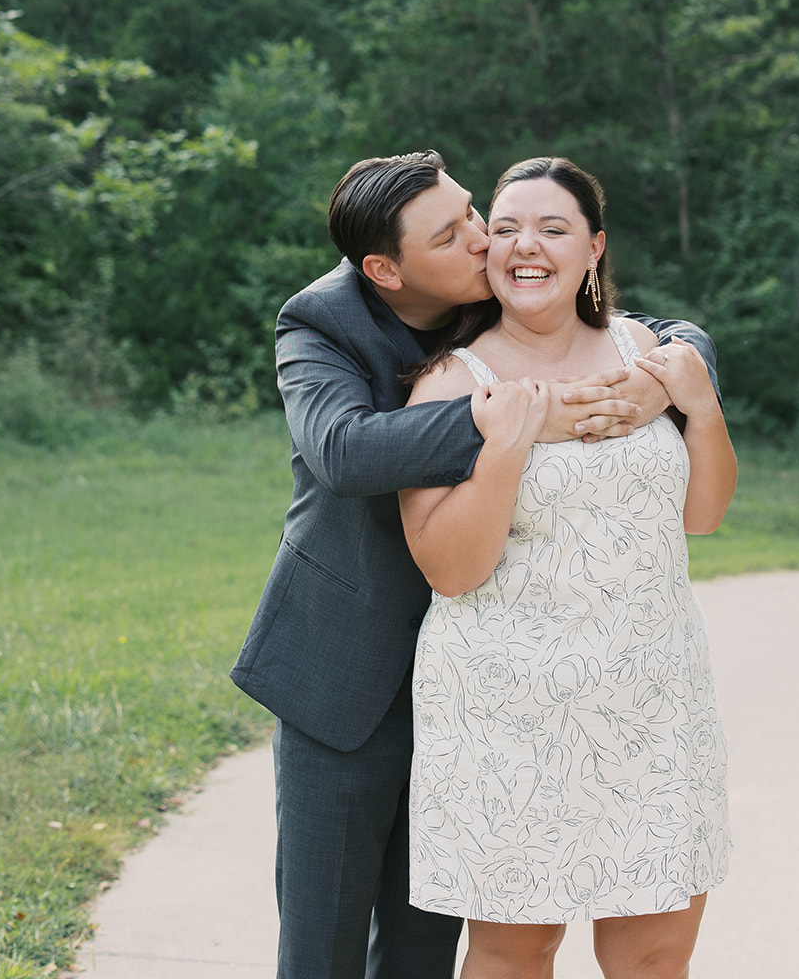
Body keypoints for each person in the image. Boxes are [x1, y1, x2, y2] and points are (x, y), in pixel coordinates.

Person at [231, 150, 722, 979]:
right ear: (387, 269)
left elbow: (649, 330)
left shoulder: (521, 290)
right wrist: (534, 421)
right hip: (350, 669)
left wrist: (680, 379)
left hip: (493, 694)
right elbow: (345, 452)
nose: (480, 242)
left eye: (473, 216)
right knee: (323, 948)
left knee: (426, 952)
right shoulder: (322, 322)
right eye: (457, 232)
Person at [400, 156, 736, 979]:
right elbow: (450, 570)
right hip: (509, 710)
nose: (526, 246)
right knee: (517, 950)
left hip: (652, 696)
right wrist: (506, 447)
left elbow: (704, 514)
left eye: (554, 228)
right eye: (506, 228)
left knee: (654, 951)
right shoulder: (452, 382)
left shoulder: (644, 351)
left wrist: (700, 402)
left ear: (594, 248)